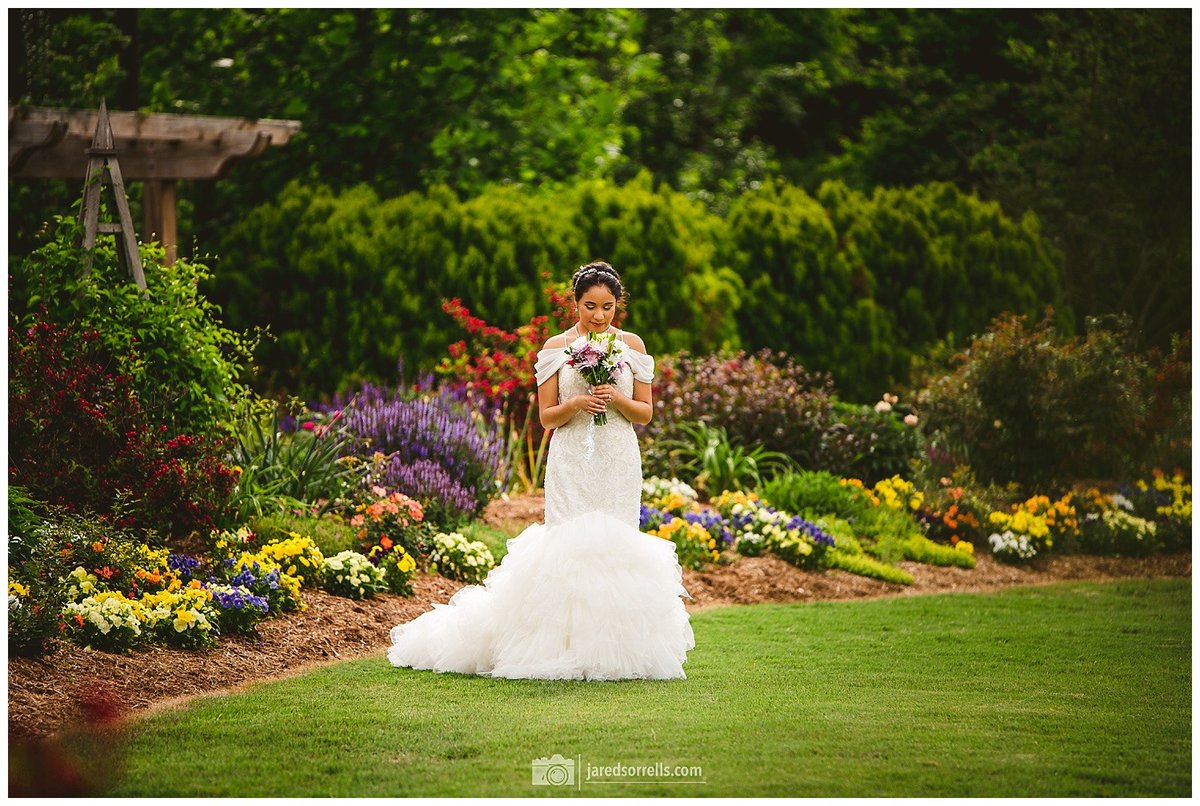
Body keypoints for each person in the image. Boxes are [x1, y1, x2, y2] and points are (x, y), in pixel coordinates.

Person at [386, 261, 696, 680]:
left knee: (617, 546)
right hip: (570, 459)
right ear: (575, 303)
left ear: (618, 305)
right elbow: (547, 417)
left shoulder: (632, 347)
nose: (599, 316)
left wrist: (615, 399)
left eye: (607, 307)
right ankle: (559, 647)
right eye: (590, 306)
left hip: (618, 458)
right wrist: (576, 404)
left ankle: (614, 652)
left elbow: (644, 412)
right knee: (568, 546)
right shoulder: (555, 348)